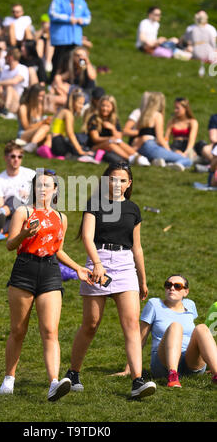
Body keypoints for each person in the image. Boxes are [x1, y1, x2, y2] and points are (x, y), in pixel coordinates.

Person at [0, 168, 93, 400]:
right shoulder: (24, 211)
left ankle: (53, 381)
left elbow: (58, 249)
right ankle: (9, 378)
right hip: (24, 269)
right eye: (38, 185)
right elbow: (10, 244)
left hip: (50, 272)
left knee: (50, 330)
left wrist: (78, 268)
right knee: (18, 330)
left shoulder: (61, 218)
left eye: (46, 185)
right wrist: (25, 234)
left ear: (55, 189)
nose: (42, 189)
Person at [65, 163, 156, 399]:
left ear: (129, 184)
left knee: (132, 325)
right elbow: (86, 236)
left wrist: (142, 279)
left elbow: (137, 247)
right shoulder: (94, 204)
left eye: (122, 180)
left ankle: (137, 380)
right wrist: (96, 263)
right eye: (112, 179)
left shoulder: (134, 209)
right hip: (99, 259)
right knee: (91, 323)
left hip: (125, 265)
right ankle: (73, 373)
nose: (117, 184)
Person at [136, 274, 217, 387]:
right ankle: (172, 375)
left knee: (202, 328)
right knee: (175, 326)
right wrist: (131, 368)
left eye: (177, 286)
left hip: (190, 361)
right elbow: (140, 338)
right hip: (163, 363)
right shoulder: (154, 304)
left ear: (186, 292)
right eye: (168, 285)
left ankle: (216, 372)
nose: (172, 288)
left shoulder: (190, 305)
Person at [0, 141, 35, 241]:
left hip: (28, 210)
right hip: (9, 213)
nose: (16, 159)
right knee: (11, 205)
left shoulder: (31, 174)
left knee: (15, 200)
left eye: (19, 157)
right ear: (5, 157)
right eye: (13, 156)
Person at [84, 95, 151, 166]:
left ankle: (138, 157)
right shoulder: (94, 119)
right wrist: (109, 139)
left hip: (111, 144)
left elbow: (119, 137)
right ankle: (130, 159)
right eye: (103, 105)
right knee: (110, 143)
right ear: (99, 106)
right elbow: (95, 139)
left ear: (112, 108)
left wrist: (112, 128)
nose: (105, 108)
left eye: (108, 106)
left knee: (119, 142)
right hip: (95, 147)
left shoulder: (114, 119)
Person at [48, 0, 91, 82]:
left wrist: (82, 20)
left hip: (75, 38)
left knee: (78, 60)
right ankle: (53, 81)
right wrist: (68, 19)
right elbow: (53, 13)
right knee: (59, 61)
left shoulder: (81, 1)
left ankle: (80, 81)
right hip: (61, 38)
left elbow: (88, 16)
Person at [136, 92, 193, 170]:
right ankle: (175, 164)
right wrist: (169, 150)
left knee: (162, 157)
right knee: (187, 160)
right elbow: (160, 139)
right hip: (151, 146)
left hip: (140, 147)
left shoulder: (144, 115)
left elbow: (138, 132)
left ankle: (162, 162)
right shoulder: (158, 115)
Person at [43, 88, 94, 157]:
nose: (81, 106)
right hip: (57, 143)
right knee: (78, 150)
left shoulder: (62, 110)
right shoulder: (68, 113)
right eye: (79, 103)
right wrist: (79, 150)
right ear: (72, 102)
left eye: (82, 104)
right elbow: (70, 134)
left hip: (55, 141)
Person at [0, 48, 29, 119]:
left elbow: (15, 81)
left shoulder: (22, 68)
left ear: (10, 58)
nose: (4, 59)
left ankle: (6, 110)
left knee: (9, 87)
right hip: (4, 98)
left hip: (18, 101)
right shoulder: (5, 70)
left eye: (5, 57)